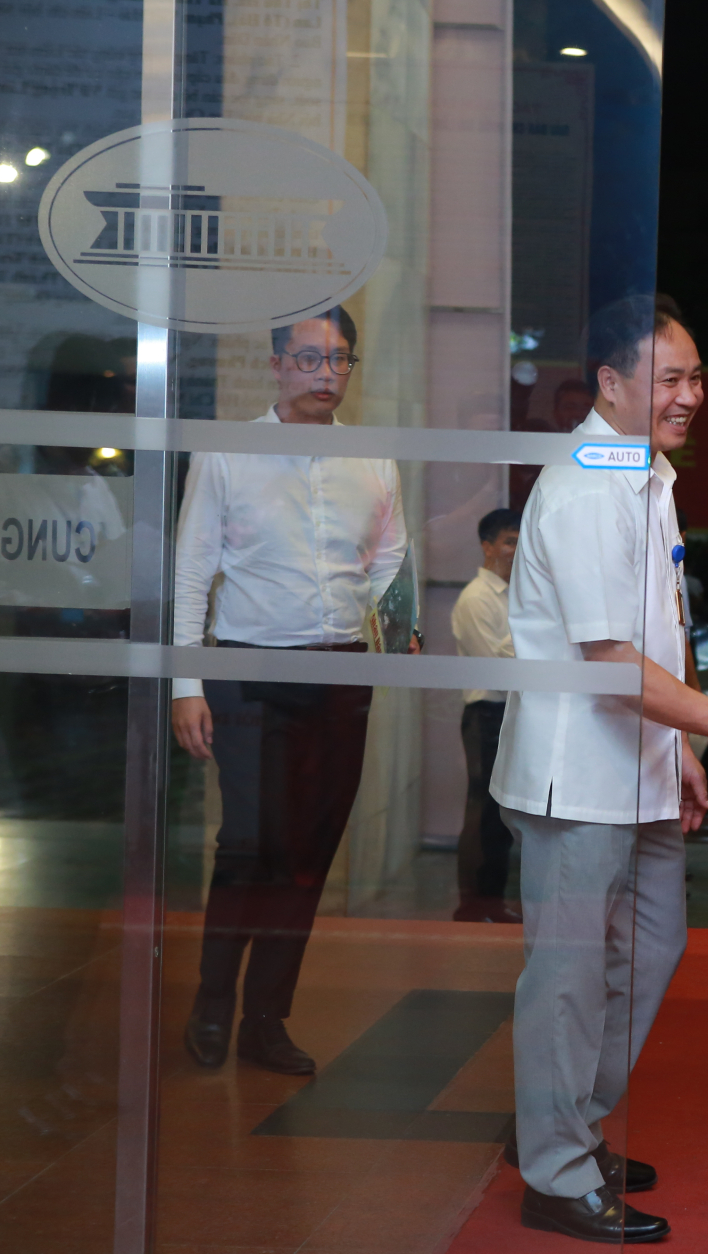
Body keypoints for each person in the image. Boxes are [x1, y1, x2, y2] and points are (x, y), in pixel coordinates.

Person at [490, 294, 708, 1244]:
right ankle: (555, 1168)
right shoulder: (582, 483)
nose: (692, 395)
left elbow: (664, 633)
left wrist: (686, 749)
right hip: (576, 780)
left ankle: (561, 1120)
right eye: (671, 378)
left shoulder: (643, 473)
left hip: (642, 772)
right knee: (569, 976)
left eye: (697, 376)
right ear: (610, 385)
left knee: (652, 951)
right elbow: (611, 661)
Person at [171, 306, 411, 1076]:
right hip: (249, 672)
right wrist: (185, 682)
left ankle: (265, 1020)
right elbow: (189, 574)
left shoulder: (374, 457)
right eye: (310, 360)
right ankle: (211, 1005)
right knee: (249, 847)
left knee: (308, 855)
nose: (327, 375)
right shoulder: (227, 450)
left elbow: (390, 560)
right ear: (276, 364)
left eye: (340, 360)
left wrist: (392, 626)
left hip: (340, 675)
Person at [450, 507, 522, 923]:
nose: (515, 550)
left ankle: (491, 902)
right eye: (509, 542)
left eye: (519, 542)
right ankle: (473, 906)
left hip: (509, 712)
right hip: (486, 713)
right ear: (487, 546)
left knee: (499, 817)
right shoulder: (476, 599)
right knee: (483, 813)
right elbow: (500, 661)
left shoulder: (516, 593)